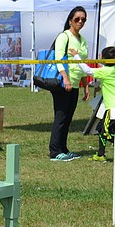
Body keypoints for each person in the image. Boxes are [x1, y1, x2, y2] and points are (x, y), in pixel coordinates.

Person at [48, 6, 89, 162]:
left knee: (68, 117)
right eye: (77, 19)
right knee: (61, 117)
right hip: (62, 83)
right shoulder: (64, 36)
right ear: (70, 20)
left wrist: (85, 85)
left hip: (75, 84)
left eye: (83, 19)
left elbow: (83, 63)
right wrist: (65, 77)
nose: (80, 22)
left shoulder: (82, 40)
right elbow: (58, 58)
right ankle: (54, 151)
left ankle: (63, 149)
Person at [71, 45, 115, 162]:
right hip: (111, 109)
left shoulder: (105, 71)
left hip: (112, 110)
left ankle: (101, 154)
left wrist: (76, 56)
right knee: (101, 129)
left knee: (105, 132)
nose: (99, 57)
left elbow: (87, 70)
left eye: (101, 55)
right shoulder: (110, 70)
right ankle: (101, 154)